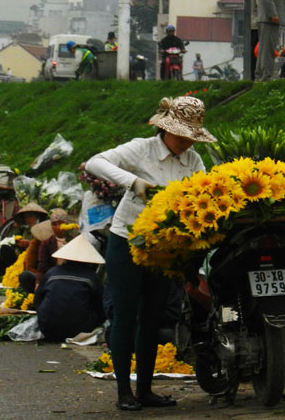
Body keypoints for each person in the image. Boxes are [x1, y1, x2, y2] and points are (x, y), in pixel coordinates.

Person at [85, 96, 217, 411]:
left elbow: (199, 193)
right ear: (166, 130)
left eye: (191, 137)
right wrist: (134, 182)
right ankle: (123, 392)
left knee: (153, 318)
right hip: (127, 240)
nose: (187, 142)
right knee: (126, 316)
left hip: (164, 247)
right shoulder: (141, 148)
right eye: (182, 135)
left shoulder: (193, 161)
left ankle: (145, 390)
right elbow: (95, 162)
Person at [34, 233, 106, 342]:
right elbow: (101, 306)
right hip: (80, 330)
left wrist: (44, 316)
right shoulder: (91, 277)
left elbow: (38, 299)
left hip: (47, 328)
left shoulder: (52, 272)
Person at [255, 0, 285, 81]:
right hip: (269, 20)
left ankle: (260, 75)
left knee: (264, 49)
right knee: (268, 51)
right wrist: (273, 14)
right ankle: (266, 77)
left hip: (268, 20)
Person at [35, 208, 71, 286]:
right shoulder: (46, 243)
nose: (58, 227)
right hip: (52, 277)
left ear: (67, 224)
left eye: (60, 223)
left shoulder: (74, 241)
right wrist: (38, 284)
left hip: (70, 277)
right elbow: (42, 267)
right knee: (26, 276)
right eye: (54, 224)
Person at [250, 0, 268, 81]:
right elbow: (262, 5)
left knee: (252, 52)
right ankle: (259, 78)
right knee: (260, 53)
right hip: (259, 23)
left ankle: (251, 77)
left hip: (250, 23)